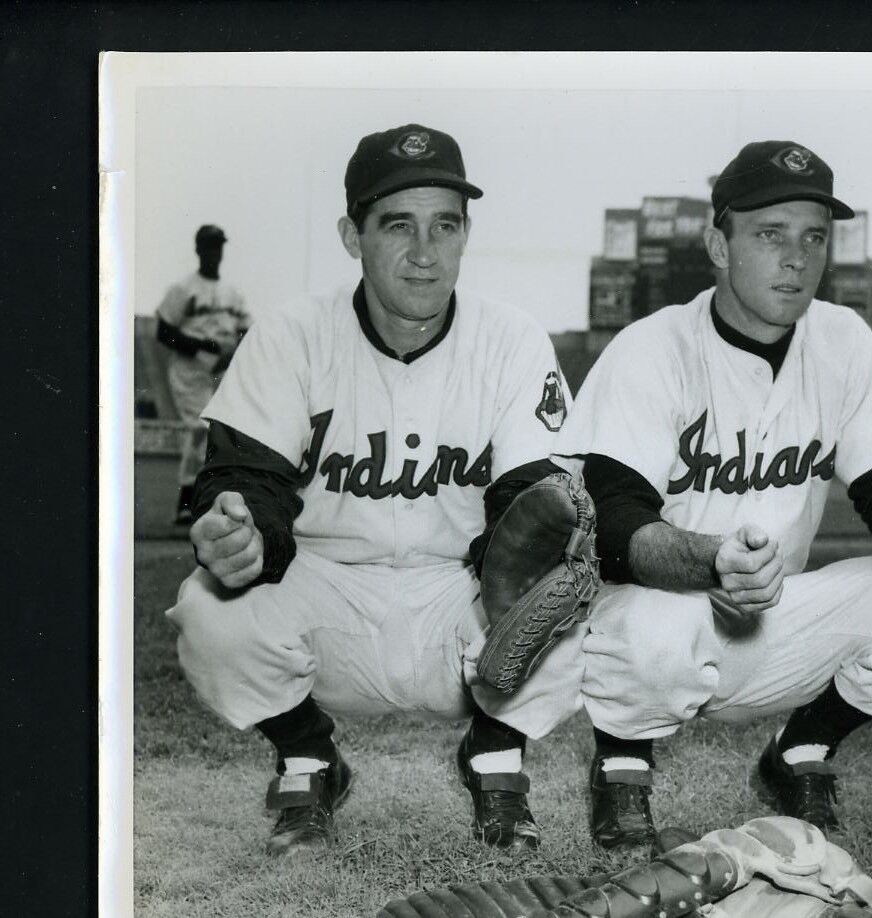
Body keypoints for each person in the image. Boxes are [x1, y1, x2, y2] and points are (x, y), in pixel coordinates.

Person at [166, 124, 580, 857]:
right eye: (398, 225)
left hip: (459, 599)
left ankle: (494, 753)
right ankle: (309, 755)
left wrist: (538, 556)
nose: (425, 252)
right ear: (352, 236)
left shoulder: (512, 340)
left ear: (464, 234)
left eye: (444, 225)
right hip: (327, 599)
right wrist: (239, 529)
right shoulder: (293, 334)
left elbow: (528, 501)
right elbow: (245, 477)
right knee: (208, 606)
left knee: (586, 601)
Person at [554, 140, 872, 853]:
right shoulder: (652, 348)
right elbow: (614, 523)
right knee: (647, 627)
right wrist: (711, 559)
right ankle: (623, 768)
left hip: (779, 611)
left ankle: (799, 751)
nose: (796, 258)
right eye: (770, 234)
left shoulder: (844, 340)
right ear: (719, 242)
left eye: (813, 237)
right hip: (660, 606)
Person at [155, 224, 251, 524]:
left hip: (223, 367)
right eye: (209, 246)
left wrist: (230, 353)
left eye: (219, 246)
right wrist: (202, 347)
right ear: (198, 250)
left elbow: (248, 330)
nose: (215, 252)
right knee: (201, 430)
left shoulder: (233, 293)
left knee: (219, 433)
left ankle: (199, 501)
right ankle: (187, 499)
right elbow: (163, 331)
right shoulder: (184, 289)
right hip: (191, 369)